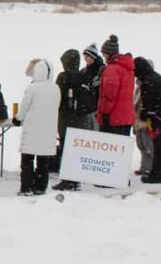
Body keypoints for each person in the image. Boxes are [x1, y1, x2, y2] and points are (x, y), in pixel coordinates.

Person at [51, 48, 98, 191]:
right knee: (76, 150)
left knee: (66, 149)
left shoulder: (63, 77)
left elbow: (57, 98)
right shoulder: (84, 75)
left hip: (67, 119)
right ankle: (75, 179)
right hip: (82, 119)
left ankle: (67, 180)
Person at [14, 58, 60, 196]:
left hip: (32, 129)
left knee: (27, 160)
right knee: (43, 161)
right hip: (48, 130)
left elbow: (24, 106)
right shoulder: (55, 88)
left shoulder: (33, 88)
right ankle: (40, 187)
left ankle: (26, 187)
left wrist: (18, 119)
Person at [134, 57, 161, 184]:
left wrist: (144, 116)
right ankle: (157, 172)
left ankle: (157, 175)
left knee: (159, 146)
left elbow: (149, 104)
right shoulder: (152, 77)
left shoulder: (148, 82)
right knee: (159, 145)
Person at [96, 35, 136, 136]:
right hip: (126, 117)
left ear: (108, 53)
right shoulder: (128, 69)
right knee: (121, 149)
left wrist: (104, 114)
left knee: (108, 149)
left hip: (113, 118)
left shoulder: (112, 69)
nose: (103, 56)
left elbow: (109, 95)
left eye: (104, 53)